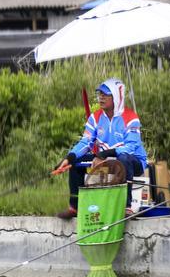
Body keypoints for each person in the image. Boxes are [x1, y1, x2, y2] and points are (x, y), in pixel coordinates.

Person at [55, 78, 147, 219]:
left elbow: (130, 148)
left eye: (105, 95)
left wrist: (104, 154)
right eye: (99, 94)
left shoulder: (131, 117)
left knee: (124, 158)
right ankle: (74, 207)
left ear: (116, 97)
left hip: (133, 161)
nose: (101, 98)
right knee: (75, 163)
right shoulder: (95, 117)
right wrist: (69, 157)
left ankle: (127, 207)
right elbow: (85, 142)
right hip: (105, 158)